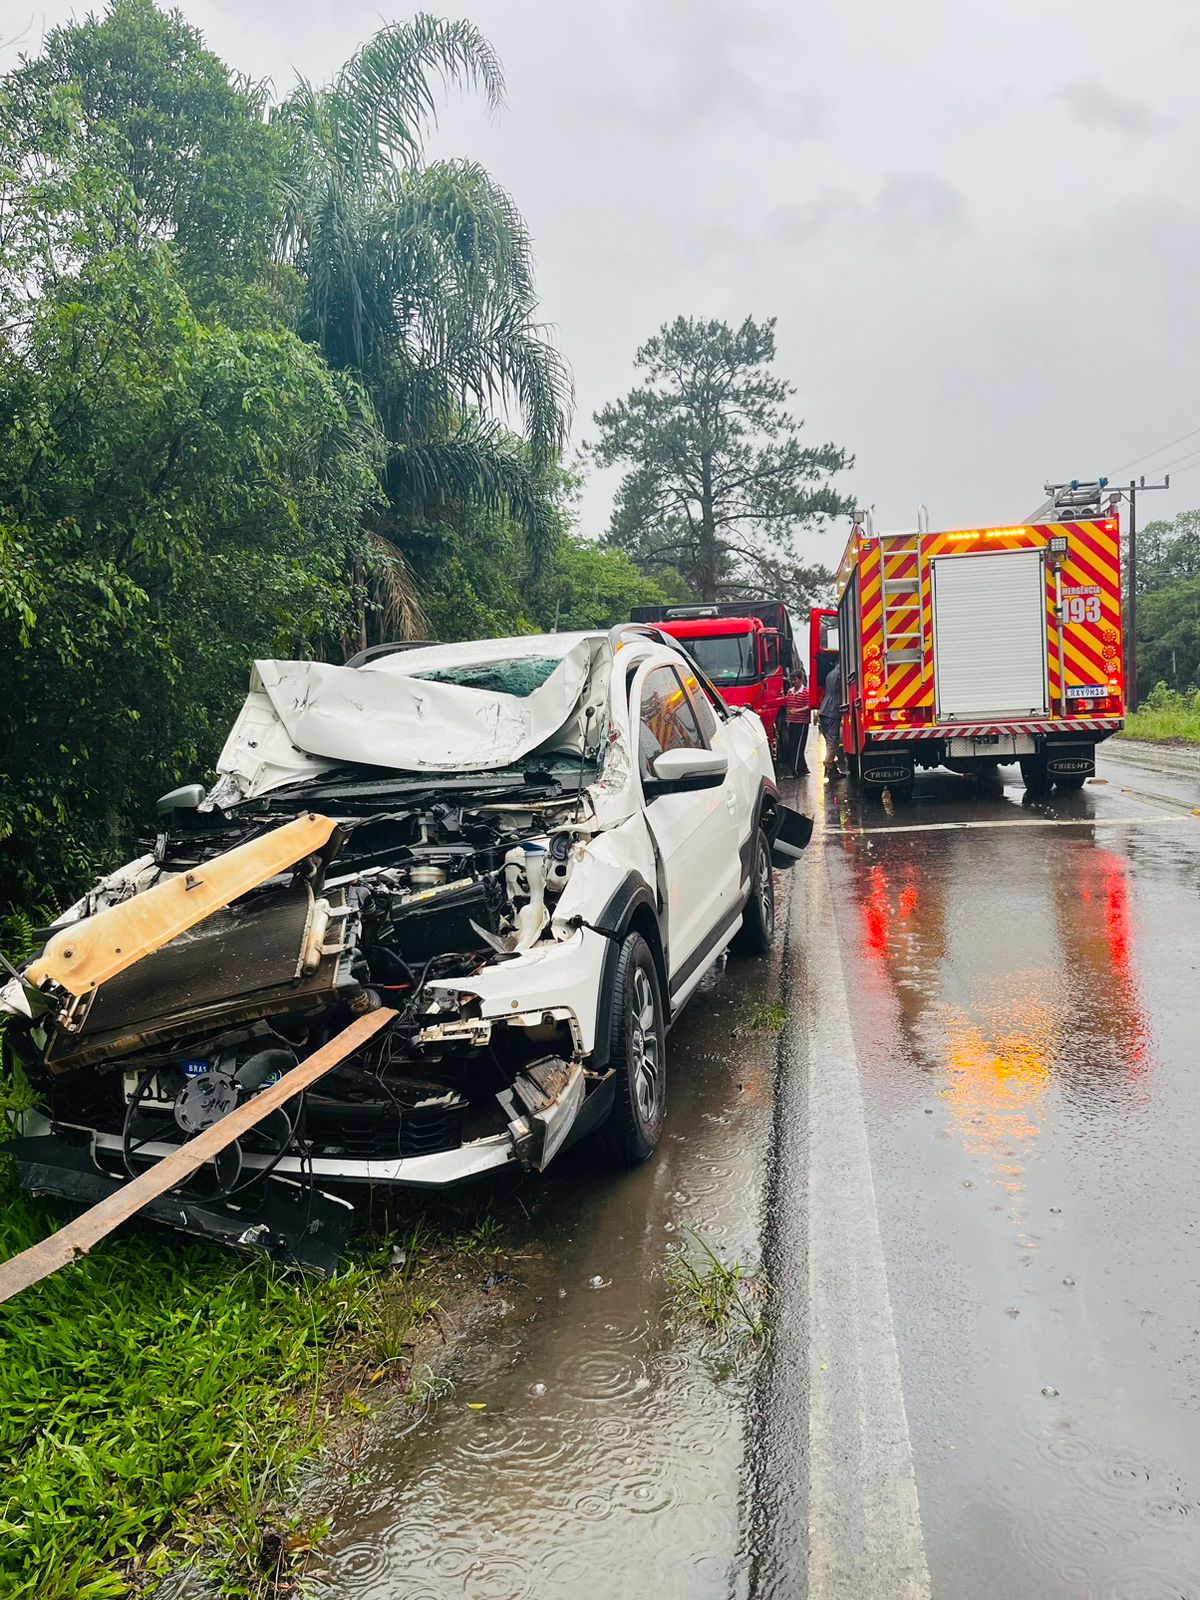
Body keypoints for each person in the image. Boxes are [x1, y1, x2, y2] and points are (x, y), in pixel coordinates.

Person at [783, 668, 810, 775]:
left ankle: (795, 771)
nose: (793, 682)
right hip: (791, 722)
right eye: (791, 680)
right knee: (792, 746)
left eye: (794, 680)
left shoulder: (805, 692)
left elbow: (809, 706)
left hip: (801, 723)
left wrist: (797, 711)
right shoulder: (789, 692)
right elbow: (786, 703)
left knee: (798, 747)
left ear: (800, 679)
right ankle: (803, 769)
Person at [819, 659, 843, 778]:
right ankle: (829, 766)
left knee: (829, 740)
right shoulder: (840, 674)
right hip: (832, 710)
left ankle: (831, 768)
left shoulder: (831, 673)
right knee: (833, 740)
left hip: (824, 708)